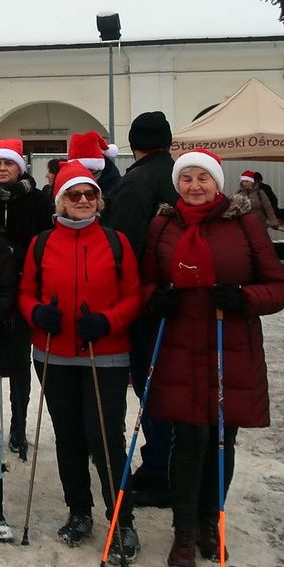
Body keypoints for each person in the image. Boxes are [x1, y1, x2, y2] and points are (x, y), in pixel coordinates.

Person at [141, 148, 284, 567]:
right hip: (181, 347)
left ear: (217, 183)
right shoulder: (162, 224)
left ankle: (211, 522)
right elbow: (145, 281)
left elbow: (278, 287)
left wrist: (244, 297)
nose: (194, 186)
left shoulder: (244, 223)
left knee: (223, 442)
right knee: (188, 443)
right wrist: (156, 298)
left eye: (202, 178)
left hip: (231, 347)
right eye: (186, 179)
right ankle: (184, 530)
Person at [19, 160, 141, 558]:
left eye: (90, 194)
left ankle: (121, 519)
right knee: (68, 436)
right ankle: (79, 511)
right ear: (61, 202)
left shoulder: (116, 242)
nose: (84, 200)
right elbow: (25, 293)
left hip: (104, 355)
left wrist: (107, 321)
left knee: (106, 437)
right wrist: (37, 313)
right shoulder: (41, 244)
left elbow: (133, 297)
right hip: (54, 354)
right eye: (74, 195)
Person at [102, 110, 181, 507]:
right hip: (181, 297)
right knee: (173, 386)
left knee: (152, 385)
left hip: (149, 302)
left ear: (134, 144)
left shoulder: (136, 182)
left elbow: (123, 246)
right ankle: (171, 465)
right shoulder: (182, 176)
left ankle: (159, 472)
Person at [0, 138, 49, 461]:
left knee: (20, 362)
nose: (2, 169)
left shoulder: (36, 199)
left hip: (24, 289)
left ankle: (19, 425)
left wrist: (19, 254)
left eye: (8, 164)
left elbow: (43, 241)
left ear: (19, 167)